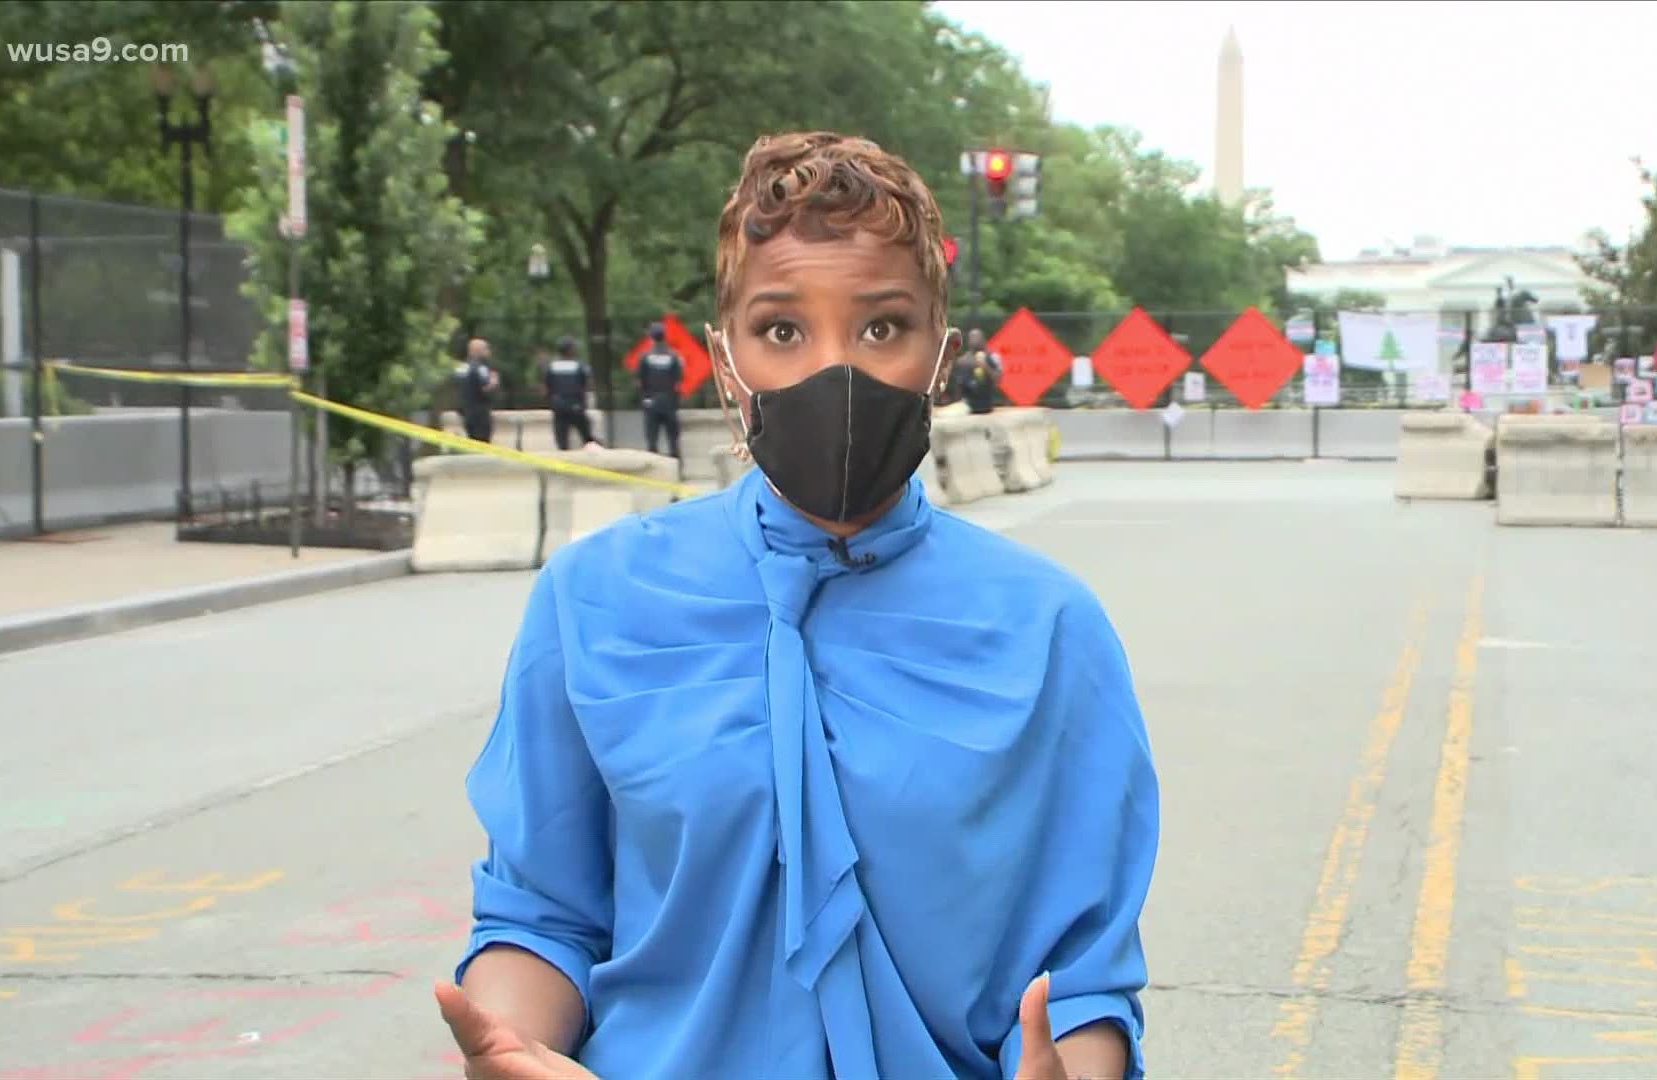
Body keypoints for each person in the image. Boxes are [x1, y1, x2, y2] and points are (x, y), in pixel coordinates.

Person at [433, 131, 1159, 1080]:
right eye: (782, 331)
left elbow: (1082, 976)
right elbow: (545, 914)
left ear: (940, 356)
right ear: (722, 359)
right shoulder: (596, 599)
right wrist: (514, 1051)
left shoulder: (1051, 628)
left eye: (882, 328)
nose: (837, 372)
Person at [635, 321, 684, 458]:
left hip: (651, 402)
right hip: (669, 402)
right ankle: (675, 469)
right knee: (673, 441)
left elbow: (640, 382)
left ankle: (654, 471)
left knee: (652, 441)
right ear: (665, 336)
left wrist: (645, 398)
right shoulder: (674, 357)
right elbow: (678, 381)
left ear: (651, 337)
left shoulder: (645, 357)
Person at [543, 337, 596, 450]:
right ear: (570, 350)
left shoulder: (552, 367)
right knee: (588, 438)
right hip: (576, 405)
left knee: (562, 441)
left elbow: (547, 388)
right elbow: (588, 384)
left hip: (558, 407)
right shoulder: (579, 366)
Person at [454, 337, 500, 444]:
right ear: (477, 351)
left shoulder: (461, 367)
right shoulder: (480, 368)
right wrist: (494, 381)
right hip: (480, 414)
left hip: (465, 412)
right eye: (486, 349)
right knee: (482, 445)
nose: (489, 352)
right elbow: (485, 389)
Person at [959, 327, 1004, 415]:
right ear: (968, 341)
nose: (975, 340)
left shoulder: (993, 357)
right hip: (967, 406)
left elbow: (998, 379)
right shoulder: (963, 360)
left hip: (987, 405)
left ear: (983, 340)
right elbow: (958, 385)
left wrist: (986, 366)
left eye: (978, 338)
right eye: (972, 338)